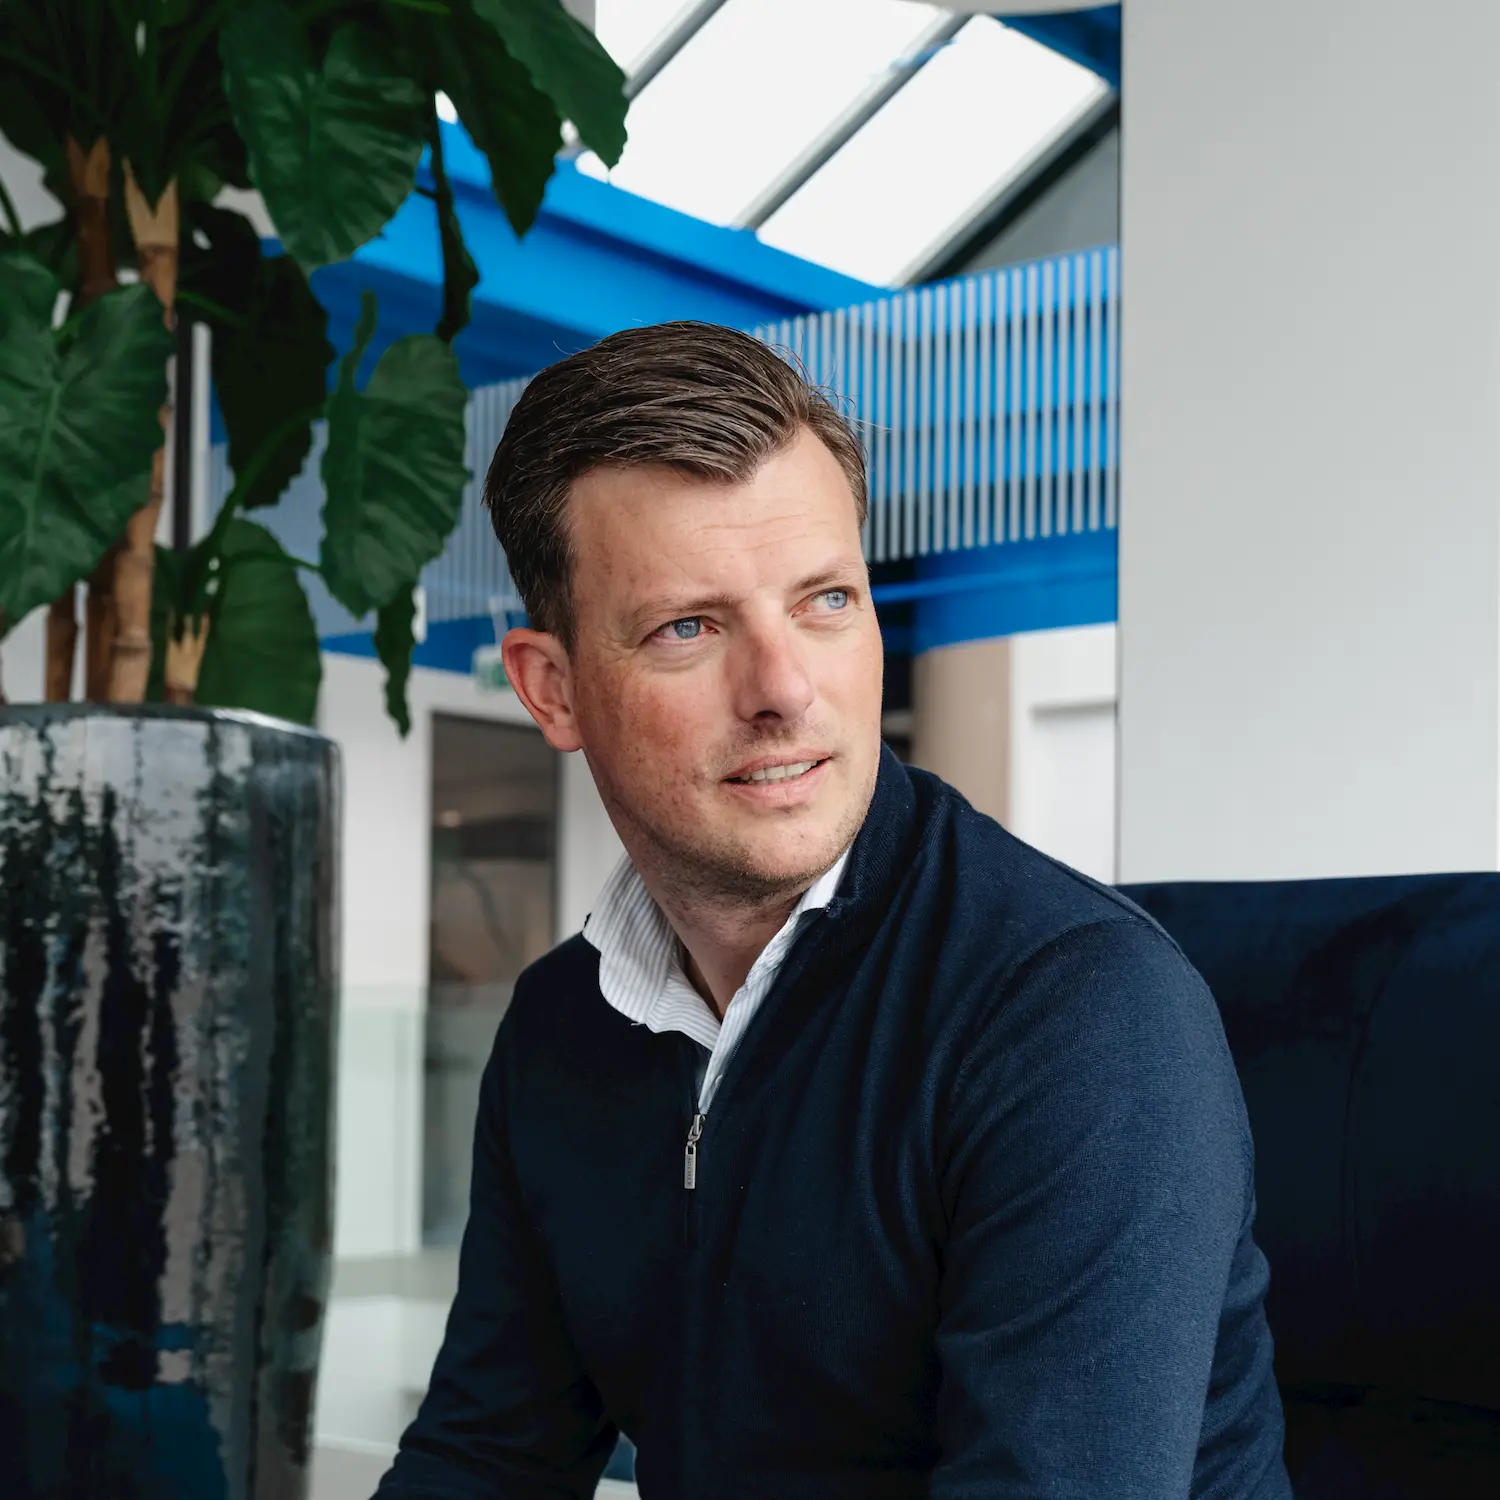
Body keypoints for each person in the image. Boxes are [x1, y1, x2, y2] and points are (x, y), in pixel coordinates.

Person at [373, 322, 1292, 1500]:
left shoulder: (1080, 1017)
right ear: (553, 689)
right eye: (689, 628)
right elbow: (483, 1457)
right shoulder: (564, 1026)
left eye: (825, 601)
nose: (784, 690)